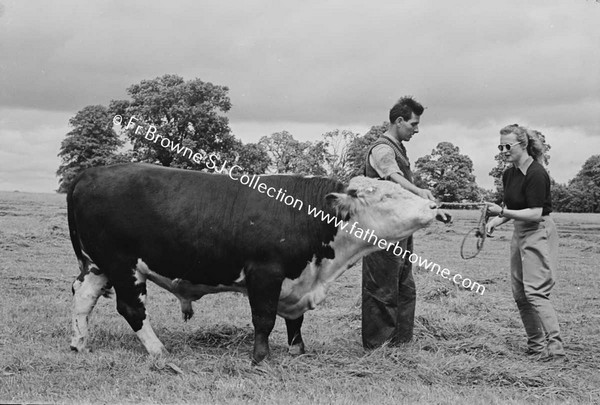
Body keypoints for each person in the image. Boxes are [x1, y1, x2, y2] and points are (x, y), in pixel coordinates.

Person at [362, 96, 448, 349]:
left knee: (403, 286)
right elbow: (394, 176)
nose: (417, 129)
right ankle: (378, 348)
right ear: (399, 121)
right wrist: (419, 191)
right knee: (382, 289)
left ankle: (401, 343)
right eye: (413, 124)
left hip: (399, 229)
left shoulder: (397, 147)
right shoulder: (382, 149)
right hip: (380, 230)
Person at [486, 124, 566, 360]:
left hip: (538, 230)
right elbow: (513, 207)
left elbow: (535, 212)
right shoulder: (509, 173)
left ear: (523, 145)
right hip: (520, 231)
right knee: (520, 294)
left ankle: (557, 351)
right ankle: (536, 347)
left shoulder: (537, 173)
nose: (503, 150)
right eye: (500, 146)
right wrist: (496, 221)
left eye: (507, 146)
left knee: (536, 292)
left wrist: (501, 212)